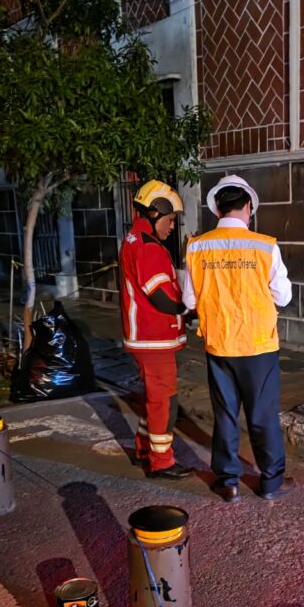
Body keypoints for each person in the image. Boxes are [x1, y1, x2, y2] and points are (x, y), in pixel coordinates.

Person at [182, 173, 294, 503]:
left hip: (219, 345)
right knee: (261, 416)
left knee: (225, 414)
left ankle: (228, 481)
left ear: (217, 209)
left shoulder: (197, 247)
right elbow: (283, 297)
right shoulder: (265, 246)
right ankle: (271, 482)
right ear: (247, 206)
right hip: (258, 346)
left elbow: (190, 301)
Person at [119, 179, 192, 481]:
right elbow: (159, 295)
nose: (172, 226)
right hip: (153, 338)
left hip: (144, 336)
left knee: (154, 397)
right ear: (155, 212)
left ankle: (142, 449)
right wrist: (185, 307)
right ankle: (161, 461)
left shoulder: (136, 238)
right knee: (164, 400)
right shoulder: (149, 247)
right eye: (171, 219)